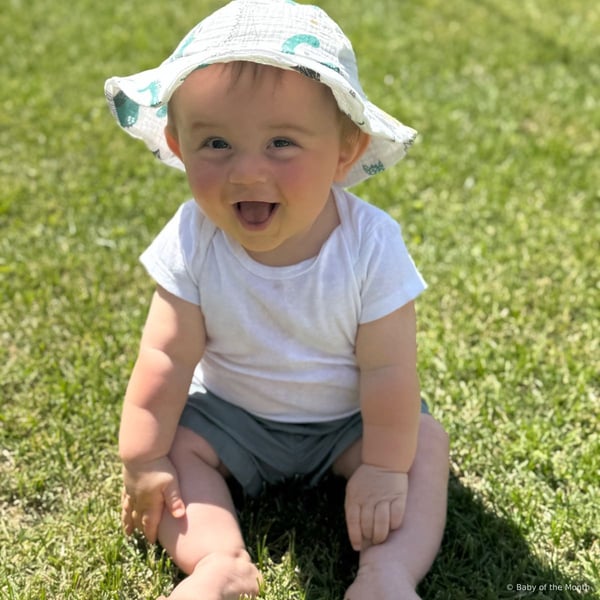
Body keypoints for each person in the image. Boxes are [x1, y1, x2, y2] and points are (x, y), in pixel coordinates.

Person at [104, 1, 449, 598]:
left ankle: (388, 573)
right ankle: (219, 562)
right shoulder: (193, 239)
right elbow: (165, 356)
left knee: (422, 447)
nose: (246, 172)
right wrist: (143, 458)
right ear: (178, 145)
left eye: (281, 143)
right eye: (216, 143)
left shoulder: (369, 244)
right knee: (175, 447)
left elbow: (390, 369)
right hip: (231, 417)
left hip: (349, 422)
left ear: (345, 150)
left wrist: (384, 466)